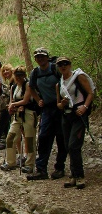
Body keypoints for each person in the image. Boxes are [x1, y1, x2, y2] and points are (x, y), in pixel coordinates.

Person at [27, 47, 67, 180]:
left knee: (61, 138)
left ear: (47, 57)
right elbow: (31, 88)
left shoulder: (55, 69)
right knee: (44, 137)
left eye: (42, 56)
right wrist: (38, 100)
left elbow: (65, 82)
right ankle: (41, 169)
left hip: (60, 108)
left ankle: (59, 168)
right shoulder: (35, 73)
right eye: (38, 57)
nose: (40, 59)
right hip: (47, 109)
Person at [56, 57, 94, 189]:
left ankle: (79, 176)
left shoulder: (78, 77)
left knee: (74, 145)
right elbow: (59, 105)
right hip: (66, 116)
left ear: (70, 65)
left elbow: (90, 93)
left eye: (65, 63)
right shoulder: (59, 83)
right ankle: (73, 175)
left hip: (78, 114)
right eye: (60, 64)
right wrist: (63, 103)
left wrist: (85, 107)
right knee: (68, 145)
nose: (63, 66)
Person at [0, 66, 37, 173]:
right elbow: (11, 101)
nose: (19, 77)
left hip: (29, 114)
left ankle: (30, 164)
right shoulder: (13, 87)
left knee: (29, 139)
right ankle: (11, 162)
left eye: (21, 75)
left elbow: (26, 100)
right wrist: (12, 107)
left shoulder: (28, 85)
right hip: (17, 115)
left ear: (24, 75)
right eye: (17, 75)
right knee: (10, 138)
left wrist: (13, 105)